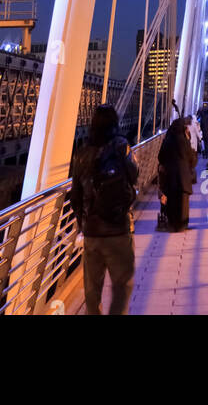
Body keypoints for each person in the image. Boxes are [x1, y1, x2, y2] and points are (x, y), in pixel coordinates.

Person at [69, 103, 138, 315]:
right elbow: (134, 175)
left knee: (92, 290)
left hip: (92, 231)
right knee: (122, 285)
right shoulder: (122, 147)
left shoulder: (81, 154)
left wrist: (83, 222)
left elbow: (75, 195)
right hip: (119, 227)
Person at [158, 117, 197, 231]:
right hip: (183, 176)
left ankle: (172, 223)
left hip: (170, 176)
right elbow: (191, 158)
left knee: (172, 199)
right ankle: (182, 224)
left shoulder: (168, 139)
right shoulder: (184, 140)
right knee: (183, 201)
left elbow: (161, 157)